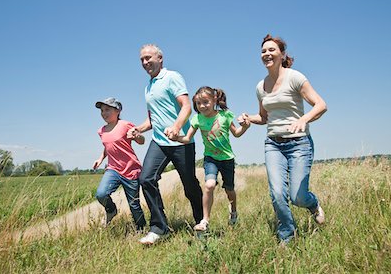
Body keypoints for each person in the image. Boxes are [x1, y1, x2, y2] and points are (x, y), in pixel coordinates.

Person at [239, 34, 327, 244]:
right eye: (263, 51)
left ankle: (312, 204)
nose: (267, 54)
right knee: (278, 194)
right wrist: (248, 118)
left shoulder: (295, 77)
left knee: (298, 196)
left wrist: (303, 119)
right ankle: (287, 236)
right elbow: (264, 117)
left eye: (271, 50)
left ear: (282, 54)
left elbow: (321, 105)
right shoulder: (261, 87)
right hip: (273, 144)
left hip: (299, 144)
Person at [127, 44, 203, 245]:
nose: (145, 62)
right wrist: (139, 129)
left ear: (160, 58)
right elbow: (153, 119)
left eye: (148, 58)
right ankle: (159, 227)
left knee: (190, 186)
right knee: (146, 179)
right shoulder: (148, 87)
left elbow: (186, 106)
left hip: (181, 142)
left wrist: (177, 127)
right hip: (159, 142)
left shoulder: (172, 77)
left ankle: (202, 223)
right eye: (142, 59)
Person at [174, 86, 250, 232]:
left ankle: (233, 210)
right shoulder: (197, 119)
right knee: (209, 185)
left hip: (227, 159)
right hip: (210, 159)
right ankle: (205, 220)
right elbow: (187, 138)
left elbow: (237, 133)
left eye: (205, 102)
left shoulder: (225, 115)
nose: (202, 106)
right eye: (198, 103)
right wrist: (175, 137)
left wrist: (245, 127)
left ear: (214, 99)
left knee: (230, 190)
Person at [93, 97, 146, 231]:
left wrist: (137, 136)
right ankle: (111, 210)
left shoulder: (125, 125)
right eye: (102, 111)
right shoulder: (102, 131)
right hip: (113, 169)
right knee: (101, 194)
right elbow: (108, 146)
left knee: (134, 204)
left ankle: (141, 229)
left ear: (117, 111)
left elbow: (142, 141)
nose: (104, 113)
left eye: (107, 110)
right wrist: (100, 158)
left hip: (131, 170)